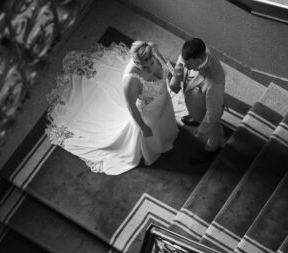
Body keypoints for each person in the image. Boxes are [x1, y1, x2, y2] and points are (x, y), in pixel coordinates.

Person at [45, 40, 178, 175]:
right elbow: (131, 107)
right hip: (149, 112)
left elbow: (165, 65)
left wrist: (173, 77)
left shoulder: (152, 48)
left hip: (164, 99)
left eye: (151, 63)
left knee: (166, 123)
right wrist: (143, 127)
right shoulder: (131, 79)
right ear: (136, 63)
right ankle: (157, 147)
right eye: (145, 67)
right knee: (154, 133)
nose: (150, 69)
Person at [169, 37, 226, 164]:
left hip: (208, 111)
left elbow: (213, 114)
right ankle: (194, 117)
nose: (186, 66)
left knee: (214, 128)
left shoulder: (214, 83)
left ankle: (213, 147)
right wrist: (177, 75)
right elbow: (182, 59)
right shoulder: (196, 50)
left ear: (201, 58)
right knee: (195, 110)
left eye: (189, 65)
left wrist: (201, 131)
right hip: (196, 103)